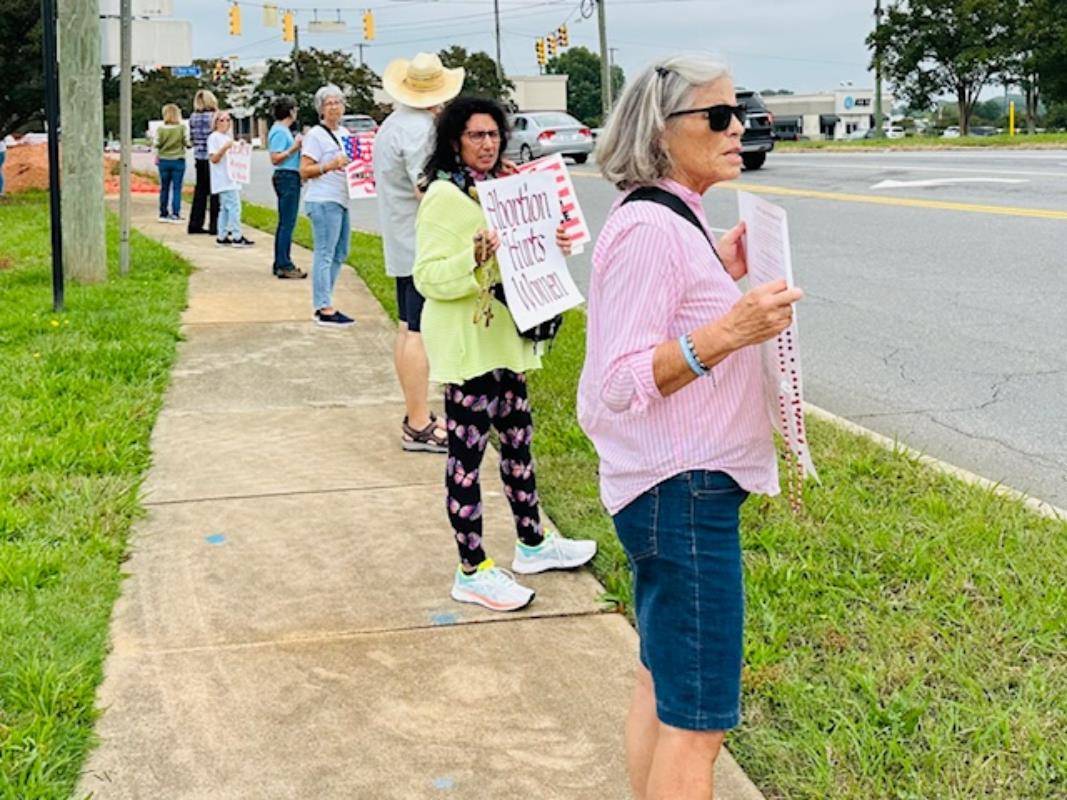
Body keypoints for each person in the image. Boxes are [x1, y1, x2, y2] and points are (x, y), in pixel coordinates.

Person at [578, 55, 804, 800]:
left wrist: (717, 269)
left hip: (675, 489)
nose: (737, 125)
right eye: (716, 116)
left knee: (662, 682)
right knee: (698, 723)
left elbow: (665, 309)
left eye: (736, 110)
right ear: (661, 131)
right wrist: (731, 329)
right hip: (683, 494)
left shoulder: (672, 217)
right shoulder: (650, 228)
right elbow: (619, 382)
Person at [413, 96, 598, 613]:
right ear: (455, 140)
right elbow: (427, 276)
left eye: (493, 134)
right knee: (466, 459)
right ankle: (471, 569)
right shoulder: (443, 198)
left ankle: (533, 543)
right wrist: (471, 258)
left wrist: (554, 239)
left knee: (518, 445)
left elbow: (528, 250)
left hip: (507, 340)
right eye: (476, 135)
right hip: (469, 346)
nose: (487, 143)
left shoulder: (503, 188)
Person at [376, 52, 465, 453]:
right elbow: (424, 187)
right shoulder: (418, 130)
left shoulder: (393, 124)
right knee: (417, 331)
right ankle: (418, 422)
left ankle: (417, 415)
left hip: (402, 241)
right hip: (421, 245)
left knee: (405, 326)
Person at [299, 84, 355, 327]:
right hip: (323, 200)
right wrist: (330, 165)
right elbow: (304, 170)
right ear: (320, 109)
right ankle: (323, 307)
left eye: (338, 102)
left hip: (342, 198)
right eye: (329, 103)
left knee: (340, 252)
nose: (334, 107)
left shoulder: (345, 133)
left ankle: (326, 299)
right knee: (324, 252)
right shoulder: (315, 136)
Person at [268, 97, 306, 279]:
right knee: (287, 223)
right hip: (286, 176)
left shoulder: (283, 131)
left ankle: (280, 261)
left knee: (287, 222)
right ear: (290, 111)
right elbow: (275, 158)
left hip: (291, 175)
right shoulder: (279, 131)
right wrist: (294, 147)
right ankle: (284, 263)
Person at [207, 111, 254, 248]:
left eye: (228, 120)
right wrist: (225, 148)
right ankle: (236, 235)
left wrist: (239, 145)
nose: (226, 123)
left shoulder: (227, 137)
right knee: (234, 207)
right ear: (215, 122)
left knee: (226, 208)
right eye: (222, 120)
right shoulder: (214, 138)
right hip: (224, 179)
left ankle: (222, 235)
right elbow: (214, 159)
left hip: (232, 178)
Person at [187, 89, 220, 235]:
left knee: (200, 191)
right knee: (215, 192)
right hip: (212, 157)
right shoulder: (214, 117)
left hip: (199, 157)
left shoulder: (193, 117)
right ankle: (215, 225)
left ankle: (195, 223)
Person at [154, 103, 191, 223]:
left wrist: (157, 155)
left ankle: (163, 213)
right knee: (176, 188)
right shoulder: (181, 128)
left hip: (164, 160)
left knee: (164, 188)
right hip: (178, 160)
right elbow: (187, 143)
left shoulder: (160, 129)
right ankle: (175, 213)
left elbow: (156, 144)